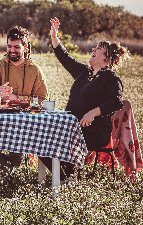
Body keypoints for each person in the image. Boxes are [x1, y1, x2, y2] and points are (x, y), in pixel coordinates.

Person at [40, 17, 131, 182]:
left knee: (65, 138)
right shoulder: (84, 72)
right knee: (41, 139)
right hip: (71, 126)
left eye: (99, 48)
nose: (93, 49)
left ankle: (66, 177)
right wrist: (54, 36)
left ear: (107, 59)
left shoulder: (110, 78)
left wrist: (92, 113)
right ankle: (64, 177)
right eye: (95, 47)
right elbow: (65, 58)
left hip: (95, 132)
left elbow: (116, 102)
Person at [0, 26, 48, 170]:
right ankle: (7, 171)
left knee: (18, 148)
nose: (12, 50)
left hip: (24, 126)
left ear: (25, 47)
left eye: (16, 47)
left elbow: (43, 99)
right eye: (9, 46)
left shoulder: (35, 70)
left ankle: (5, 170)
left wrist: (16, 98)